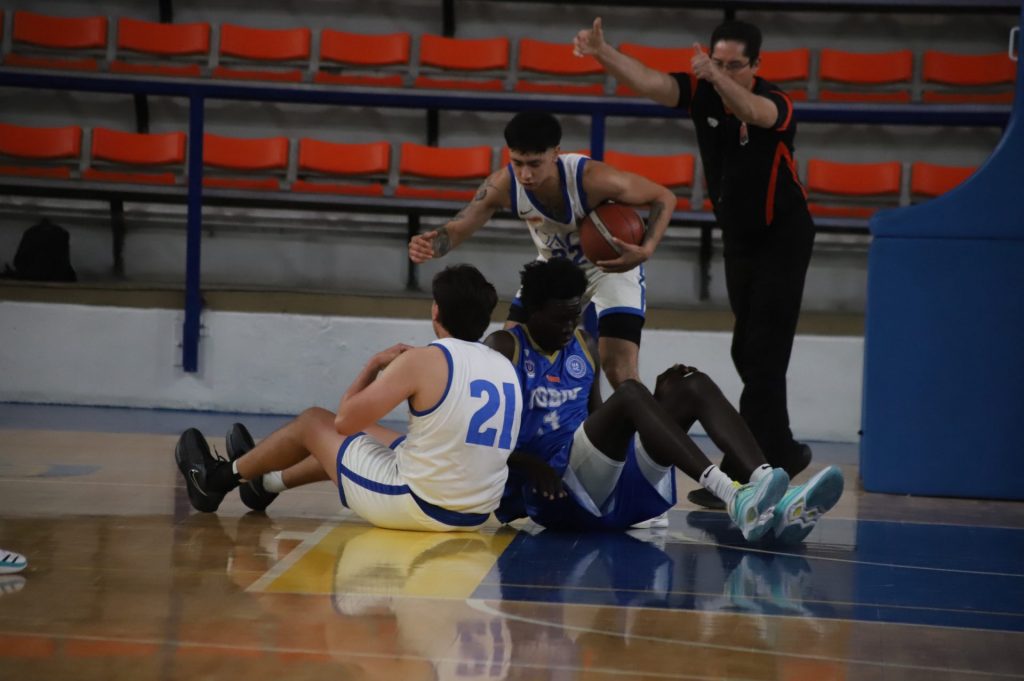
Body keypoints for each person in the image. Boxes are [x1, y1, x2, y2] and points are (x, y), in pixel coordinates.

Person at [574, 18, 817, 508]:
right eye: (716, 61)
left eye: (734, 65)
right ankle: (782, 448)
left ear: (756, 65)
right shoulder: (702, 93)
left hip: (784, 237)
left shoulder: (775, 102)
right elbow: (651, 82)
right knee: (747, 351)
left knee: (764, 353)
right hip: (741, 239)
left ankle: (756, 467)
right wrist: (603, 52)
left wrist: (715, 75)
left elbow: (752, 111)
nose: (722, 71)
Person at [486, 259, 842, 544]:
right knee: (630, 391)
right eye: (559, 319)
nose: (568, 327)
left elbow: (598, 420)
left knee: (689, 385)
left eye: (574, 317)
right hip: (554, 492)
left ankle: (771, 495)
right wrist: (530, 465)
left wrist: (656, 403)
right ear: (533, 311)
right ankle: (733, 496)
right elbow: (483, 438)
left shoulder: (583, 345)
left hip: (600, 482)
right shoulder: (506, 347)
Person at [173, 264, 523, 532]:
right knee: (368, 436)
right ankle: (266, 482)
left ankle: (215, 480)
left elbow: (344, 421)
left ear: (436, 311)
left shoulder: (424, 359)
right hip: (476, 512)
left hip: (420, 506)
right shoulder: (503, 365)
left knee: (314, 422)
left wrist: (374, 365)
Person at [408, 110, 677, 390]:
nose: (525, 174)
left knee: (618, 368)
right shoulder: (504, 184)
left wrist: (646, 249)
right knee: (507, 356)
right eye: (517, 163)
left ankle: (641, 420)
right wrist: (432, 244)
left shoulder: (592, 178)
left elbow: (664, 197)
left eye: (535, 164)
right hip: (553, 271)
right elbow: (460, 226)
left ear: (555, 153)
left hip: (610, 269)